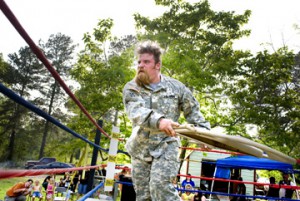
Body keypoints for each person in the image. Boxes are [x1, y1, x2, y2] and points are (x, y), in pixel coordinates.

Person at [123, 41, 210, 201]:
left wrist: (204, 135)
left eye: (146, 62)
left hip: (166, 145)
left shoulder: (176, 88)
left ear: (157, 65)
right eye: (139, 62)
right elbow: (135, 111)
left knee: (160, 188)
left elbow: (194, 113)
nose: (140, 65)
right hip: (139, 149)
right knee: (144, 197)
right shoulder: (131, 87)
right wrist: (160, 121)